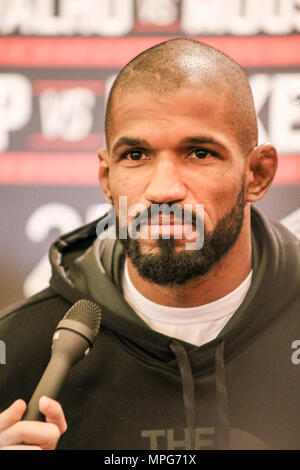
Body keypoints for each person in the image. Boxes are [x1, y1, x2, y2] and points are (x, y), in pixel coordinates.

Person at [0, 37, 300, 450]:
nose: (163, 190)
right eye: (136, 155)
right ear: (107, 178)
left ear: (258, 174)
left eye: (198, 152)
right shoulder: (17, 351)